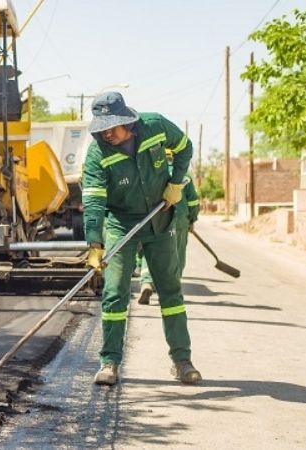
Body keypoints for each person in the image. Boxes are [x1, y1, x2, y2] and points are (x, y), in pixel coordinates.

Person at [82, 92, 202, 386]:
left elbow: (185, 148)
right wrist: (95, 244)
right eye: (102, 127)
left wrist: (176, 183)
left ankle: (182, 360)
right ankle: (110, 362)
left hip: (161, 220)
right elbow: (94, 199)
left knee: (171, 291)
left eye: (112, 126)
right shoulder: (98, 153)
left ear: (128, 121)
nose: (107, 133)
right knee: (114, 293)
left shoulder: (155, 125)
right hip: (122, 225)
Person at [137, 153, 200, 305]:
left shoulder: (150, 173)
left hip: (154, 219)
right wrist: (192, 219)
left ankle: (146, 282)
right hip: (178, 221)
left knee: (149, 251)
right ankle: (170, 290)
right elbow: (192, 201)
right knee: (176, 254)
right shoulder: (184, 176)